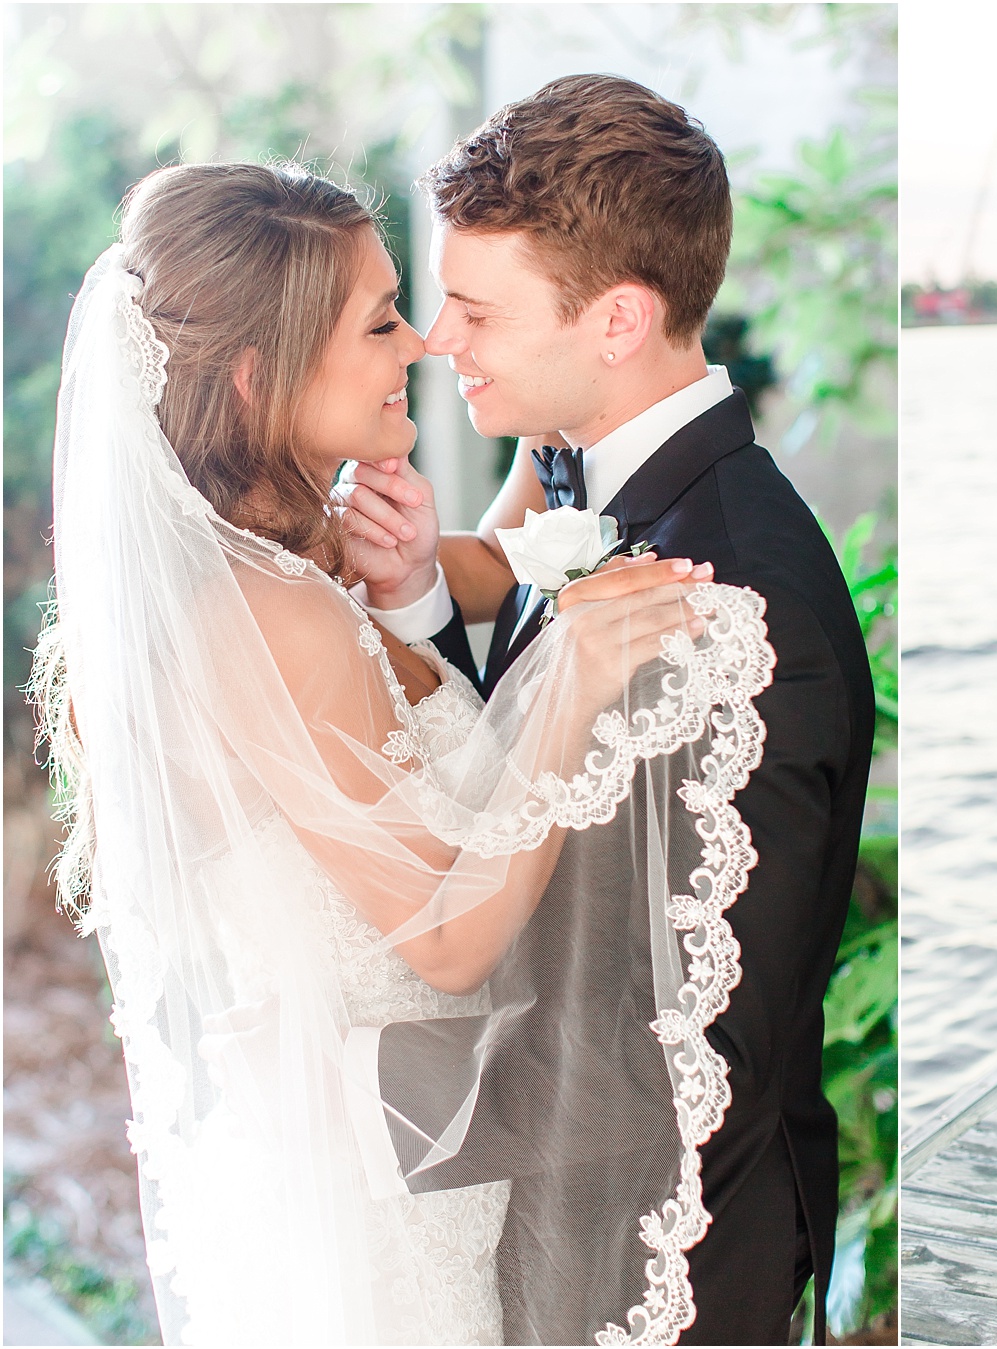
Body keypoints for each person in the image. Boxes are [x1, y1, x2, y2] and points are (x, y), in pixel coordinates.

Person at [31, 161, 771, 1345]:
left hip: (363, 1161)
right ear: (254, 373)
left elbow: (468, 599)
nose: (422, 342)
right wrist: (570, 684)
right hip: (375, 1220)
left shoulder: (255, 577)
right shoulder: (277, 617)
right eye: (380, 321)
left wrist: (446, 564)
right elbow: (449, 936)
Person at [337, 74, 875, 1345]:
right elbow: (552, 803)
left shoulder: (723, 604)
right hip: (561, 1206)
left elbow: (673, 1040)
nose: (435, 340)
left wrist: (348, 1086)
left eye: (474, 308)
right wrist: (418, 591)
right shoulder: (591, 472)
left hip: (669, 1253)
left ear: (619, 318)